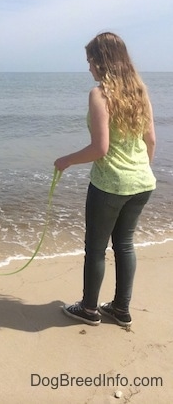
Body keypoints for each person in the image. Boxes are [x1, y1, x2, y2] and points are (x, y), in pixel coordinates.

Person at [54, 32, 156, 327]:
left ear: (102, 62)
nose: (88, 68)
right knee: (125, 244)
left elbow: (101, 148)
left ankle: (88, 310)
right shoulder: (140, 92)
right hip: (142, 182)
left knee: (96, 249)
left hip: (110, 184)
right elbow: (151, 140)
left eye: (90, 61)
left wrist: (67, 160)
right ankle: (121, 309)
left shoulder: (99, 95)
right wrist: (138, 172)